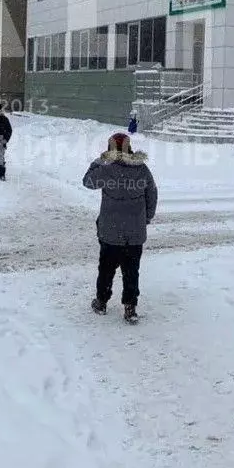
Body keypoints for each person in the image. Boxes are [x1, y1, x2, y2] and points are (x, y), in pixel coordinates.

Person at [82, 132, 158, 324]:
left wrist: (100, 161)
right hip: (134, 233)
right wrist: (146, 218)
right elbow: (152, 194)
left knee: (106, 269)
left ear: (110, 148)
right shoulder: (141, 169)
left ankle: (101, 302)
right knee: (132, 271)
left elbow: (87, 181)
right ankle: (130, 307)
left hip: (110, 232)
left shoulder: (106, 169)